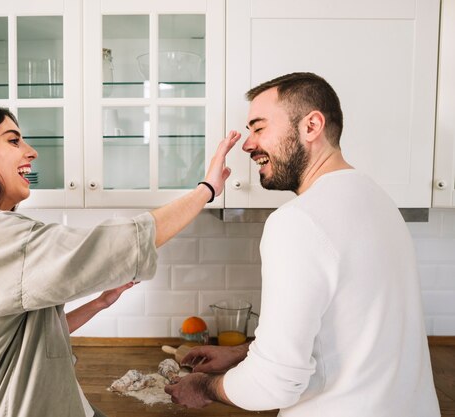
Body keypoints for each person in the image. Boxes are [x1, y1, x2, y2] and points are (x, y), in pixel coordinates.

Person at [0, 103, 240, 417]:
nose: (31, 152)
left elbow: (23, 342)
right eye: (13, 141)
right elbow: (117, 244)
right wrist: (205, 190)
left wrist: (99, 303)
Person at [165, 72, 441, 417]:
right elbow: (349, 328)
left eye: (259, 127)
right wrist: (244, 353)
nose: (248, 144)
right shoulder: (376, 199)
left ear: (311, 126)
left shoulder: (298, 221)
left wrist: (204, 386)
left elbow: (273, 384)